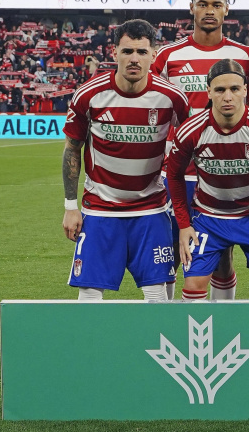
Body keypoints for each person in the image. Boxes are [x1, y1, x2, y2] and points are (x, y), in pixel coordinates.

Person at [61, 19, 189, 301]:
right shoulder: (89, 95)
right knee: (89, 295)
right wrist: (71, 207)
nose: (134, 59)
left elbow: (193, 145)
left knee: (158, 297)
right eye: (127, 51)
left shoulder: (172, 97)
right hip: (100, 210)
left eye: (142, 52)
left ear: (153, 55)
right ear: (114, 52)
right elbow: (72, 149)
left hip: (152, 210)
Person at [152, 0, 249, 301]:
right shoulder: (169, 56)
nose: (209, 10)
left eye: (216, 4)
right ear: (191, 8)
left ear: (227, 10)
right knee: (172, 250)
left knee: (222, 254)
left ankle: (221, 322)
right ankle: (170, 319)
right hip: (180, 172)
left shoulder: (245, 55)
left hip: (227, 171)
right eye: (203, 4)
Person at [166, 59, 249, 301]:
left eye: (235, 89)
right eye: (220, 90)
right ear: (208, 92)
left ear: (245, 90)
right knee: (193, 286)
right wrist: (184, 225)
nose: (228, 97)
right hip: (208, 217)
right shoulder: (190, 131)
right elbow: (174, 175)